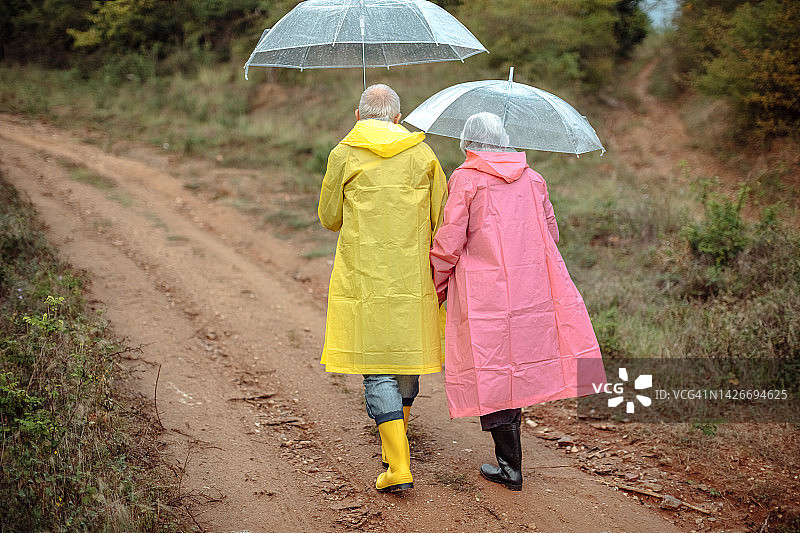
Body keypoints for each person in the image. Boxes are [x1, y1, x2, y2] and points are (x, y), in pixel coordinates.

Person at [430, 112, 605, 491]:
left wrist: (438, 280)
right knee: (514, 364)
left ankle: (510, 467)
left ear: (468, 142)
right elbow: (551, 232)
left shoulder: (465, 179)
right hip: (530, 287)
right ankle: (510, 463)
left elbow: (449, 240)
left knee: (491, 366)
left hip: (483, 292)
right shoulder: (534, 178)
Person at [318, 84, 448, 493]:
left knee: (376, 364)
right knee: (405, 355)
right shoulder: (423, 154)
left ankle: (398, 463)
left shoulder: (344, 153)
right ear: (397, 118)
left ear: (358, 117)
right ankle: (398, 447)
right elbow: (441, 216)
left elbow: (330, 217)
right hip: (412, 275)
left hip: (365, 275)